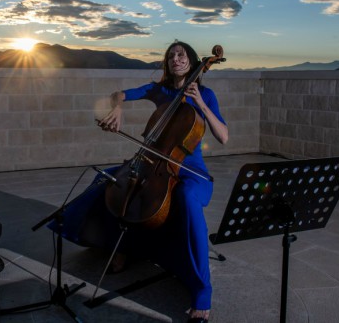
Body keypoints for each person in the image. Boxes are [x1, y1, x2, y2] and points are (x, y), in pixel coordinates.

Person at [54, 41, 228, 323]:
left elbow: (223, 136)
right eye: (171, 55)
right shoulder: (158, 90)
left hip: (191, 170)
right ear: (167, 63)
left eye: (182, 54)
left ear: (193, 61)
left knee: (186, 199)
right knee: (108, 180)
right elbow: (118, 94)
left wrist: (200, 105)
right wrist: (118, 107)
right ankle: (115, 243)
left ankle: (201, 292)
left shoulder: (205, 94)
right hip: (152, 163)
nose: (176, 58)